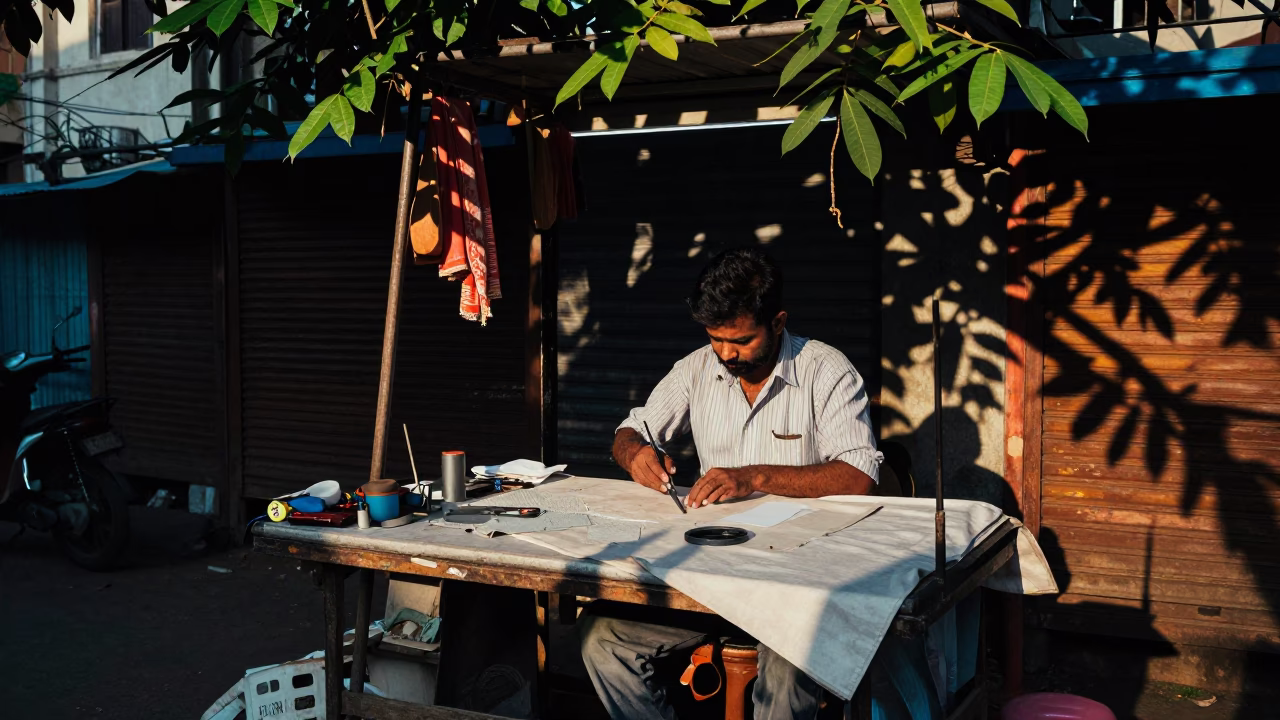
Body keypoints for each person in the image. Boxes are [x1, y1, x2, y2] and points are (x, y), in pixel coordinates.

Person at [579, 248, 882, 720]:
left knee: (789, 669)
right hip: (708, 582)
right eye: (715, 338)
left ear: (778, 322)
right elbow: (630, 430)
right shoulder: (697, 369)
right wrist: (636, 454)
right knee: (603, 638)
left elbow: (860, 476)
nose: (726, 354)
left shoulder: (827, 371)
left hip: (796, 585)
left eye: (740, 340)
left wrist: (754, 476)